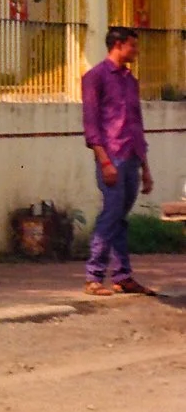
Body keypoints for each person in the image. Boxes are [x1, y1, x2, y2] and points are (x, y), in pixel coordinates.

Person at [81, 27, 155, 296]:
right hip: (111, 156)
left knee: (120, 217)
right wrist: (104, 161)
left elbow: (136, 124)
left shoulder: (129, 80)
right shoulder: (95, 77)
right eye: (132, 46)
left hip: (132, 155)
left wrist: (145, 168)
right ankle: (93, 276)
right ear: (118, 45)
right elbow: (91, 124)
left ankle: (122, 275)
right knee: (111, 214)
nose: (135, 51)